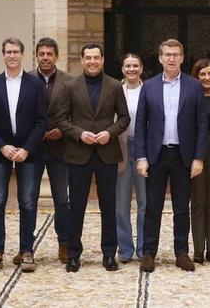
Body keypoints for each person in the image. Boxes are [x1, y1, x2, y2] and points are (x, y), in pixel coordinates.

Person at [135, 39, 207, 273]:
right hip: (156, 155)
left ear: (182, 58)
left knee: (181, 207)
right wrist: (141, 156)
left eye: (176, 54)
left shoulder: (194, 86)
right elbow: (140, 125)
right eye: (167, 54)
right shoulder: (149, 86)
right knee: (152, 207)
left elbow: (201, 124)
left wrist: (199, 157)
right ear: (160, 58)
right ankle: (148, 253)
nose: (171, 58)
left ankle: (181, 252)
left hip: (183, 155)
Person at [57, 43, 130, 272]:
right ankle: (74, 254)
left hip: (107, 153)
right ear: (82, 60)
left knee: (108, 206)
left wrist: (110, 132)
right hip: (79, 154)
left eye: (96, 58)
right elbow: (61, 119)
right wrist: (80, 134)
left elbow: (124, 118)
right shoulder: (70, 86)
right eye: (88, 58)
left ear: (103, 59)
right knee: (76, 206)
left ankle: (109, 254)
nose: (92, 62)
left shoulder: (115, 85)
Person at [0, 37, 47, 273]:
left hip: (29, 152)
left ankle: (27, 250)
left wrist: (27, 148)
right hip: (1, 152)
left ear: (22, 54)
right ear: (3, 55)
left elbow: (41, 121)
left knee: (28, 202)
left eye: (15, 52)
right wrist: (2, 146)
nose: (11, 55)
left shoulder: (35, 85)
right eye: (8, 51)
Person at [28, 36, 74, 264]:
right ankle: (27, 245)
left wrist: (63, 131)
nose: (45, 57)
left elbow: (76, 113)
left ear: (57, 56)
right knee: (29, 198)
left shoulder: (70, 81)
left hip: (61, 147)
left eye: (50, 54)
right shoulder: (25, 80)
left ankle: (64, 243)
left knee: (62, 200)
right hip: (33, 149)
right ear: (36, 55)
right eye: (42, 54)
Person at [189, 58, 210, 265]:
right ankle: (198, 249)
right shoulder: (191, 97)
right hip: (196, 152)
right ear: (196, 76)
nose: (207, 77)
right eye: (202, 74)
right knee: (198, 200)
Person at [116, 53, 146, 263]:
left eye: (135, 65)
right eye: (128, 66)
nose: (131, 69)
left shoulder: (150, 90)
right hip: (121, 147)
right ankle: (125, 249)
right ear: (122, 69)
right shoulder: (116, 90)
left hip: (144, 149)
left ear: (141, 68)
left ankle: (145, 248)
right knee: (122, 202)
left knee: (145, 202)